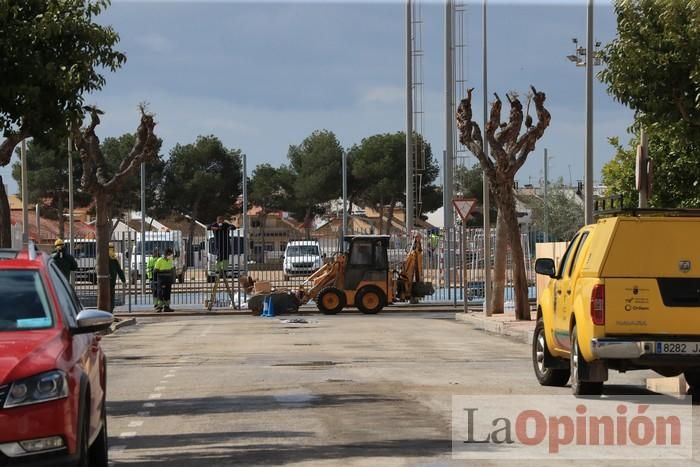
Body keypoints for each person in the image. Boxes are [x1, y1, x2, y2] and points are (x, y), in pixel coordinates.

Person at [154, 247, 176, 312]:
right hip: (161, 280)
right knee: (161, 293)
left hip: (168, 280)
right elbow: (155, 271)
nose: (171, 256)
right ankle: (159, 307)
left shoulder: (170, 260)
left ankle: (167, 307)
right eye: (170, 254)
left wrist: (172, 279)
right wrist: (156, 280)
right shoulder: (159, 260)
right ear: (166, 254)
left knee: (167, 293)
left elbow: (172, 270)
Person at [108, 243, 126, 313]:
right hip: (105, 284)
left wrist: (123, 280)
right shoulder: (103, 259)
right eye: (110, 248)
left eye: (112, 248)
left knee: (111, 299)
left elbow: (119, 271)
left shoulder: (114, 260)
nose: (111, 250)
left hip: (112, 283)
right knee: (107, 299)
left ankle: (110, 312)